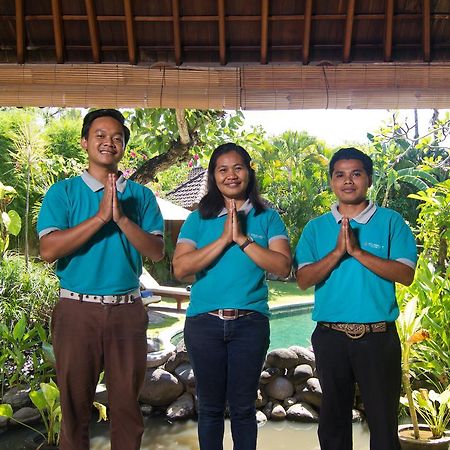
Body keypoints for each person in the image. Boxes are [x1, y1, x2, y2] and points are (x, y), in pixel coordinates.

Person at [37, 109, 164, 450]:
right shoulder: (62, 193)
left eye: (117, 137)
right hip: (76, 310)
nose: (109, 142)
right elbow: (48, 249)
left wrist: (120, 218)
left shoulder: (142, 196)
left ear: (123, 146)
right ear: (85, 142)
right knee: (75, 411)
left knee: (126, 411)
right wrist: (98, 218)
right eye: (100, 136)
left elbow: (156, 251)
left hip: (127, 311)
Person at [295, 147, 417, 450]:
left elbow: (405, 274)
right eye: (340, 175)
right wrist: (337, 253)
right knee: (333, 425)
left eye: (356, 174)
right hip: (330, 337)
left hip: (378, 337)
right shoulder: (315, 228)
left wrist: (358, 252)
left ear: (369, 179)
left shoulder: (391, 222)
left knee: (383, 424)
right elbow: (303, 280)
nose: (348, 181)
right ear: (331, 181)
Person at [173, 143, 292, 450]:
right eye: (222, 169)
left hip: (249, 324)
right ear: (213, 176)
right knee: (210, 408)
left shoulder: (267, 218)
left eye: (237, 167)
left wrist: (242, 239)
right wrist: (224, 239)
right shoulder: (198, 219)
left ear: (249, 172)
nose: (231, 175)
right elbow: (181, 268)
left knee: (242, 409)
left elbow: (281, 266)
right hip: (204, 324)